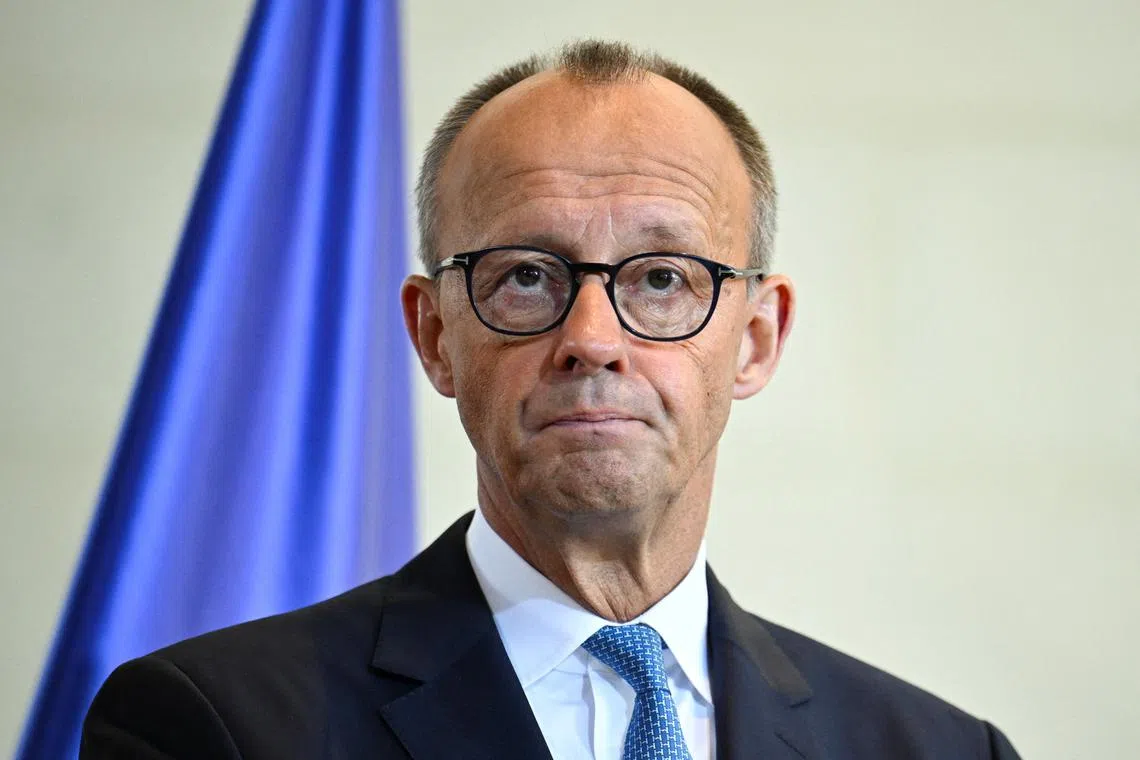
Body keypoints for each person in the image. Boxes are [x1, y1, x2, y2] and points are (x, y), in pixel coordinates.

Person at [81, 40, 1021, 759]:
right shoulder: (212, 728)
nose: (592, 340)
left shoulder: (938, 749)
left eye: (662, 278)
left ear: (757, 338)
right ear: (435, 335)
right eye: (527, 276)